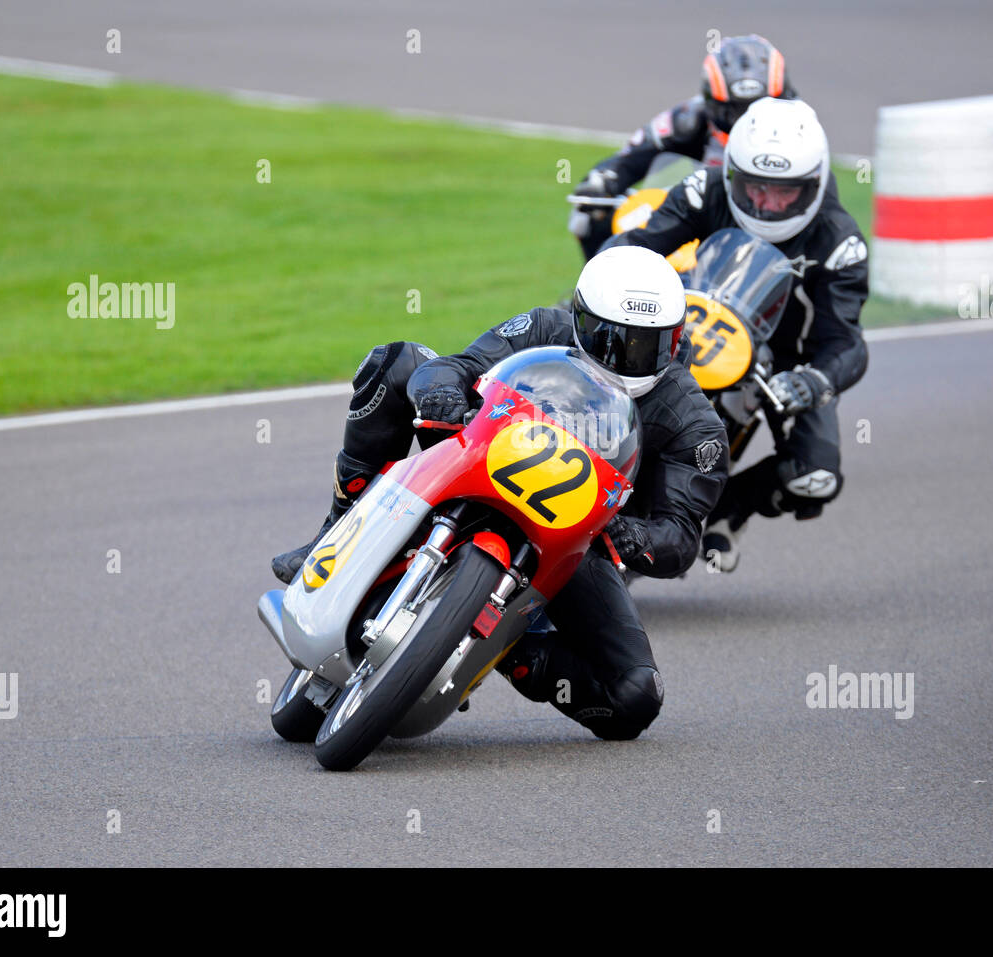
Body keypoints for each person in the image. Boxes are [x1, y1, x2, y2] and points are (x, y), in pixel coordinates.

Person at [270, 246, 729, 740]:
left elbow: (680, 537)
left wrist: (632, 533)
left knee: (635, 697)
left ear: (676, 339)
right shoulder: (541, 327)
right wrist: (441, 391)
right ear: (580, 318)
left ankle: (514, 651)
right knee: (396, 362)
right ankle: (335, 527)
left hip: (576, 542)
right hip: (478, 459)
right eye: (612, 340)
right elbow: (458, 364)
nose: (626, 358)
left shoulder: (695, 426)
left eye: (646, 346)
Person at [600, 96, 869, 572]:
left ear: (812, 186)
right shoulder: (706, 190)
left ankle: (725, 512)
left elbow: (846, 341)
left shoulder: (839, 242)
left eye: (784, 192)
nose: (766, 202)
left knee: (816, 476)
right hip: (698, 321)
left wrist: (812, 382)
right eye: (755, 187)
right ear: (732, 175)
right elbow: (635, 248)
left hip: (786, 361)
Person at [569, 34, 797, 259]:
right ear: (710, 101)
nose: (746, 121)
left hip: (771, 224)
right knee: (587, 218)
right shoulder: (688, 118)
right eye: (733, 111)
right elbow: (632, 155)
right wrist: (604, 179)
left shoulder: (801, 130)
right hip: (701, 216)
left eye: (757, 108)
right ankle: (596, 288)